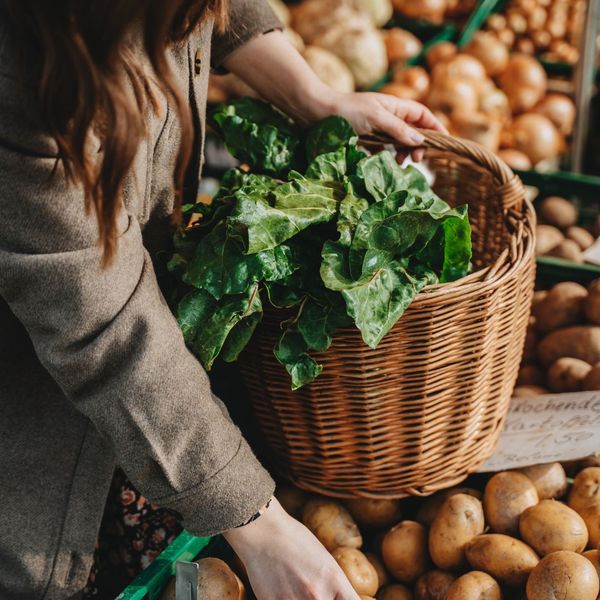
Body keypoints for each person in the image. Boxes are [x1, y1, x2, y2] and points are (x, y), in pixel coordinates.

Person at [0, 1, 445, 598]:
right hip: (45, 404)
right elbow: (102, 324)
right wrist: (260, 525)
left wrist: (313, 97)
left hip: (152, 389)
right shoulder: (18, 71)